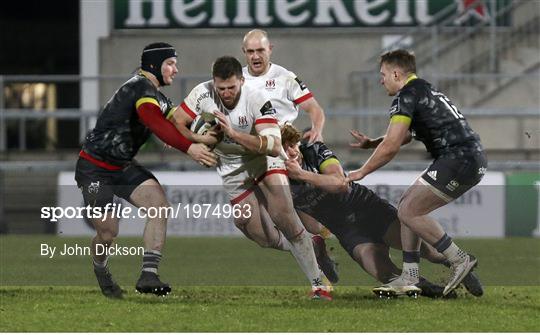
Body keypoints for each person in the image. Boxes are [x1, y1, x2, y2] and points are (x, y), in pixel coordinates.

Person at [172, 56, 332, 300]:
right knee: (254, 230)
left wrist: (233, 134)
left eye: (231, 87)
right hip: (232, 169)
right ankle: (310, 243)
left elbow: (271, 144)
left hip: (265, 162)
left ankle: (319, 284)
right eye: (221, 88)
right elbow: (177, 122)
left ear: (241, 81)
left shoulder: (256, 99)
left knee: (284, 216)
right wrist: (199, 141)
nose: (225, 93)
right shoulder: (201, 93)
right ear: (213, 82)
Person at [75, 42, 217, 298]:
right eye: (170, 63)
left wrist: (213, 133)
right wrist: (190, 148)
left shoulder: (157, 94)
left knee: (159, 206)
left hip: (121, 166)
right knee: (108, 232)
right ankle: (100, 268)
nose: (176, 69)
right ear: (154, 64)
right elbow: (154, 121)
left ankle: (148, 274)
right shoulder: (140, 88)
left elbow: (179, 122)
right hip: (94, 168)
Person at [281, 124, 483, 298]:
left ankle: (461, 268)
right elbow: (313, 226)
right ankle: (433, 291)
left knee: (426, 251)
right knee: (383, 272)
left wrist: (303, 175)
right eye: (285, 149)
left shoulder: (314, 151)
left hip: (368, 210)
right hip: (349, 232)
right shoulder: (279, 182)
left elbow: (340, 184)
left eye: (293, 144)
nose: (292, 152)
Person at [346, 49, 488, 296]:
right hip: (466, 156)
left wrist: (362, 171)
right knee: (406, 208)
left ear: (396, 73)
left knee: (409, 210)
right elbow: (405, 136)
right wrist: (374, 142)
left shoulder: (406, 95)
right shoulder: (423, 89)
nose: (381, 80)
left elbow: (391, 146)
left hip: (459, 158)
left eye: (383, 75)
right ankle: (409, 275)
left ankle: (459, 259)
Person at [241, 29, 337, 282]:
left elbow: (313, 108)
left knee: (300, 221)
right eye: (250, 51)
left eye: (260, 50)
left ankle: (318, 274)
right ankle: (312, 249)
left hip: (284, 155)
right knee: (257, 231)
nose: (255, 56)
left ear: (270, 49)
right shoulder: (237, 81)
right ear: (244, 53)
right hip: (250, 157)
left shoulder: (285, 77)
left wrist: (317, 128)